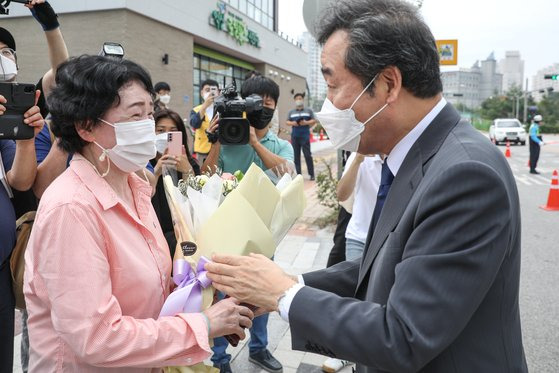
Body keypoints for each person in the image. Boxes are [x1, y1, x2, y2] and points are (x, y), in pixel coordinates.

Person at [205, 1, 527, 372]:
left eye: (333, 85)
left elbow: (404, 336)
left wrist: (284, 294)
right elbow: (377, 269)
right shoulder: (416, 155)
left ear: (388, 84)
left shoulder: (465, 175)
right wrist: (289, 283)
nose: (328, 106)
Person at [23, 55, 253, 372]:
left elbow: (154, 285)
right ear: (86, 126)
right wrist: (202, 325)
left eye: (150, 113)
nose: (147, 128)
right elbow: (97, 339)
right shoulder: (70, 208)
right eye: (135, 116)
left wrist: (207, 294)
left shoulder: (135, 184)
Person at [202, 75, 290, 373]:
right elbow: (205, 177)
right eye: (257, 103)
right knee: (220, 296)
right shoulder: (227, 138)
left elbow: (284, 173)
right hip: (226, 232)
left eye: (269, 104)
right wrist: (215, 141)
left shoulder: (280, 144)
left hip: (263, 235)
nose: (263, 109)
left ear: (274, 106)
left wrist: (254, 141)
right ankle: (219, 359)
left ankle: (259, 348)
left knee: (262, 296)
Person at [322, 152, 382, 373]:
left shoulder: (401, 154)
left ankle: (369, 356)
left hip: (387, 237)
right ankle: (344, 353)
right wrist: (357, 159)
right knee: (355, 296)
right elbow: (341, 194)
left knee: (377, 299)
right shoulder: (361, 156)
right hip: (358, 237)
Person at [151, 108, 200, 258]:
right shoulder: (143, 164)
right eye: (160, 130)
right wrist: (156, 173)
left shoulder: (190, 163)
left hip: (184, 236)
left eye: (172, 131)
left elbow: (197, 204)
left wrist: (187, 171)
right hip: (155, 237)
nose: (166, 136)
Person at [287, 92, 316, 180]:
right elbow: (287, 122)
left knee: (307, 155)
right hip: (295, 136)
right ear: (295, 100)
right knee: (296, 156)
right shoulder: (291, 112)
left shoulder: (308, 111)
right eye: (297, 99)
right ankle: (298, 175)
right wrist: (294, 123)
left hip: (305, 136)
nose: (298, 100)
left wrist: (306, 122)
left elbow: (314, 120)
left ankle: (312, 174)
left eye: (300, 99)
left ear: (303, 100)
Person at [190, 79, 219, 164]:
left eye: (213, 90)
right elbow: (195, 124)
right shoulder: (196, 110)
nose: (210, 93)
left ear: (218, 92)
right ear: (201, 93)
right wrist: (204, 106)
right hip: (202, 150)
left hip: (219, 148)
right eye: (207, 90)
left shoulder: (222, 109)